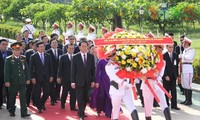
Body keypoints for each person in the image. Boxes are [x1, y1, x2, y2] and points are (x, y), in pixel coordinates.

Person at [105, 50, 139, 120]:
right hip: (116, 89)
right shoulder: (108, 66)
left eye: (114, 54)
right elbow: (114, 78)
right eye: (111, 55)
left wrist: (133, 79)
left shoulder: (123, 62)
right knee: (115, 111)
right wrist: (124, 83)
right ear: (108, 57)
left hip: (126, 89)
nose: (113, 56)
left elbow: (129, 72)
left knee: (131, 107)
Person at [141, 45, 172, 120]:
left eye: (161, 49)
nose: (159, 51)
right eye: (158, 49)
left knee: (163, 103)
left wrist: (157, 77)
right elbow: (140, 71)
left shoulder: (163, 62)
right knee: (148, 106)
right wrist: (141, 76)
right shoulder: (147, 60)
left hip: (157, 84)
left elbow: (161, 74)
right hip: (147, 84)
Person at [4, 42, 31, 117]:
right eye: (16, 50)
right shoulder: (8, 59)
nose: (17, 51)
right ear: (12, 50)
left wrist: (28, 78)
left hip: (22, 81)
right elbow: (6, 71)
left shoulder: (23, 58)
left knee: (23, 97)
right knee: (12, 97)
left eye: (19, 50)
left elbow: (26, 69)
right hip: (13, 82)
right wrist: (7, 81)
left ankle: (24, 113)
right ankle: (12, 111)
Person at [71, 41, 95, 120]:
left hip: (88, 81)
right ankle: (81, 114)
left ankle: (81, 111)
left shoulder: (91, 57)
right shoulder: (75, 56)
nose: (84, 48)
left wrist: (93, 81)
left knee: (85, 98)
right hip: (78, 82)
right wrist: (72, 81)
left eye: (86, 46)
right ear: (79, 47)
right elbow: (73, 70)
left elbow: (93, 70)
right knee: (80, 98)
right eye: (83, 46)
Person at [29, 41, 53, 113]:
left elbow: (50, 67)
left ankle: (42, 103)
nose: (43, 48)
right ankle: (39, 107)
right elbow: (31, 68)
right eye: (41, 47)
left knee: (47, 92)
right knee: (37, 93)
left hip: (46, 77)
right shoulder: (33, 56)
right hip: (37, 78)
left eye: (43, 46)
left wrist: (51, 76)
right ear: (37, 48)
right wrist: (32, 77)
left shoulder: (48, 55)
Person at [57, 44, 77, 111]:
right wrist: (59, 77)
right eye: (70, 48)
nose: (71, 50)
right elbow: (60, 68)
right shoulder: (63, 57)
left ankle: (72, 106)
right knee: (64, 92)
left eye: (72, 48)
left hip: (74, 78)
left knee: (73, 93)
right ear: (67, 49)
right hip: (65, 78)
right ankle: (63, 103)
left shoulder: (76, 57)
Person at [163, 45, 180, 110]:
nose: (171, 48)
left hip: (173, 76)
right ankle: (166, 104)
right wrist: (165, 75)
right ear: (167, 48)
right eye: (169, 47)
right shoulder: (164, 56)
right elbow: (163, 67)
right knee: (166, 91)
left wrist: (177, 75)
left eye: (172, 47)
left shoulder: (175, 55)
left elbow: (176, 66)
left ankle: (174, 105)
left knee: (174, 91)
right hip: (166, 76)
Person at [46, 39, 63, 105]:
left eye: (56, 43)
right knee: (51, 86)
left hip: (59, 72)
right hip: (51, 72)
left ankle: (57, 96)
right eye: (53, 43)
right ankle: (53, 99)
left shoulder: (60, 51)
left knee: (58, 85)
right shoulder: (48, 52)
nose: (55, 44)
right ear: (50, 44)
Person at [180, 37, 195, 105]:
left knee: (188, 85)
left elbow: (189, 57)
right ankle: (186, 99)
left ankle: (189, 100)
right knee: (184, 84)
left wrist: (182, 56)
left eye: (183, 42)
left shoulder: (191, 50)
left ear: (187, 43)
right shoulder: (184, 50)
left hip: (188, 68)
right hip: (184, 68)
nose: (182, 44)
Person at [25, 40, 38, 107]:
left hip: (37, 74)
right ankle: (27, 102)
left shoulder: (40, 53)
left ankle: (35, 101)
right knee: (29, 89)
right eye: (35, 45)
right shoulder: (28, 53)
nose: (36, 47)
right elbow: (26, 64)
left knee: (36, 89)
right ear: (32, 45)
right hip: (29, 73)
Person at [0, 39, 12, 109]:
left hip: (8, 76)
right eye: (3, 44)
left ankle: (10, 105)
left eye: (6, 44)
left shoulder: (10, 53)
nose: (5, 46)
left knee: (9, 91)